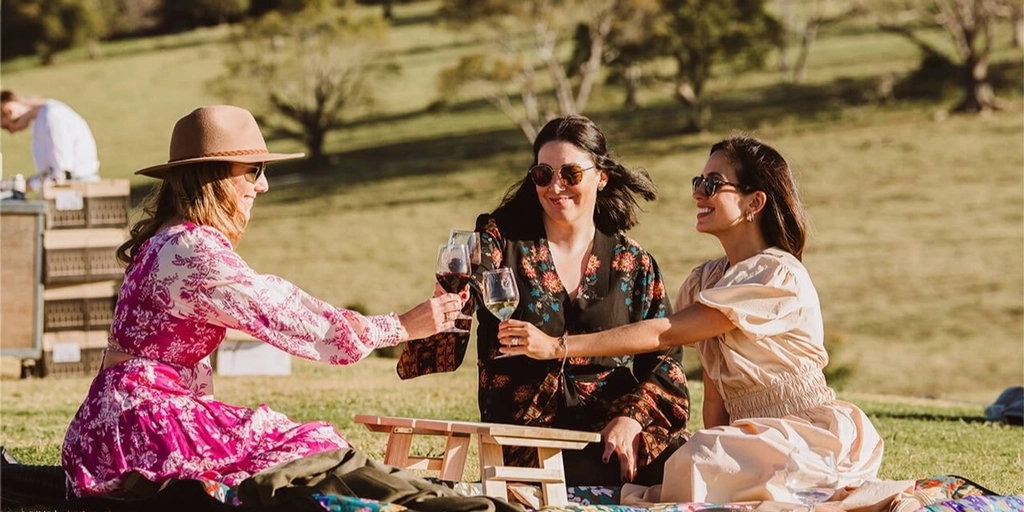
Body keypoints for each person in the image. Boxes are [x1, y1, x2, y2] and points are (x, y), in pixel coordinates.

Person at [60, 105, 467, 499]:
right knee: (316, 450)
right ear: (215, 177)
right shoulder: (192, 250)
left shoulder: (168, 240)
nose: (263, 185)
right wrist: (401, 326)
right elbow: (286, 317)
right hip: (140, 425)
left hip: (109, 426)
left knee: (300, 453)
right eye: (254, 171)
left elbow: (272, 302)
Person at [496, 135, 885, 503]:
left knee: (696, 462)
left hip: (805, 433)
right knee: (697, 459)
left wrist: (556, 346)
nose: (698, 192)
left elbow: (667, 333)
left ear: (754, 203)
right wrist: (710, 441)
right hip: (750, 436)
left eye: (713, 184)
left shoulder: (776, 274)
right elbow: (715, 389)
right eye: (699, 181)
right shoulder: (706, 279)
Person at [397, 115, 691, 486]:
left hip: (610, 432)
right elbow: (445, 341)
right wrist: (448, 295)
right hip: (528, 434)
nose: (555, 187)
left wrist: (632, 418)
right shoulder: (498, 245)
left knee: (691, 464)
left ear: (601, 176)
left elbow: (667, 362)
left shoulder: (635, 263)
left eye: (570, 174)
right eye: (543, 175)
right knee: (618, 479)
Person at [0, 90, 100, 191]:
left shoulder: (53, 116)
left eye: (6, 126)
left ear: (9, 111)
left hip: (78, 191)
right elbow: (50, 173)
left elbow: (60, 176)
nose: (11, 132)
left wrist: (16, 186)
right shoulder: (43, 118)